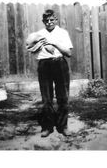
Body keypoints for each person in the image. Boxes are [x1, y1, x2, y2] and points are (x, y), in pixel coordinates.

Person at [26, 9, 73, 137]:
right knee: (46, 98)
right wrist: (38, 44)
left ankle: (63, 126)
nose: (49, 22)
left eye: (52, 20)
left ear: (56, 20)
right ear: (43, 21)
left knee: (63, 97)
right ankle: (47, 127)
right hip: (44, 65)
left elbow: (68, 53)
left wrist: (54, 43)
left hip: (60, 63)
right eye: (46, 20)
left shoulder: (63, 33)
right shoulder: (39, 34)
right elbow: (29, 46)